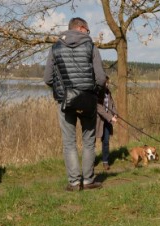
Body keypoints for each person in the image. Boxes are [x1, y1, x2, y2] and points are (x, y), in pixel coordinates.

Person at [44, 17, 107, 191]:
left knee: (69, 142)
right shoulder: (91, 46)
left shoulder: (55, 47)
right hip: (88, 99)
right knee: (88, 141)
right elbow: (101, 78)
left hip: (65, 101)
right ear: (80, 28)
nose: (88, 33)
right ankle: (88, 181)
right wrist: (93, 91)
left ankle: (73, 183)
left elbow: (47, 78)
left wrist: (61, 91)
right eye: (87, 30)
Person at [96, 76, 118, 170]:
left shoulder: (108, 92)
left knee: (106, 141)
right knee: (91, 142)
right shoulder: (96, 93)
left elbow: (112, 104)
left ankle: (105, 161)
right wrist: (110, 118)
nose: (107, 84)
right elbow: (99, 108)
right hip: (97, 121)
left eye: (107, 82)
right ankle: (91, 161)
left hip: (107, 122)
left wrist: (115, 113)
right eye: (105, 83)